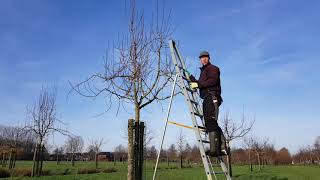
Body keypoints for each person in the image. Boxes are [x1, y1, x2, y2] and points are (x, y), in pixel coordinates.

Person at [188, 51, 228, 157]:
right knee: (210, 122)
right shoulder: (203, 71)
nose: (204, 59)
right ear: (200, 60)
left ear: (209, 58)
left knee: (210, 122)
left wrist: (198, 84)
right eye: (201, 58)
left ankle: (215, 150)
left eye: (205, 57)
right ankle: (223, 148)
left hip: (212, 96)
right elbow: (202, 84)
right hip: (206, 98)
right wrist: (194, 81)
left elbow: (212, 81)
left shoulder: (213, 68)